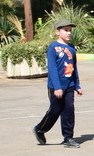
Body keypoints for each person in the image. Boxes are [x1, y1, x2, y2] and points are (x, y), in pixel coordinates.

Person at [33, 19, 83, 148]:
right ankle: (40, 129)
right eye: (65, 30)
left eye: (70, 30)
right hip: (56, 87)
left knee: (69, 111)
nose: (68, 33)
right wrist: (57, 87)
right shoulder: (53, 48)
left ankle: (68, 138)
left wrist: (77, 85)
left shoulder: (72, 48)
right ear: (57, 31)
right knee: (55, 110)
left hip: (69, 85)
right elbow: (52, 69)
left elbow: (74, 68)